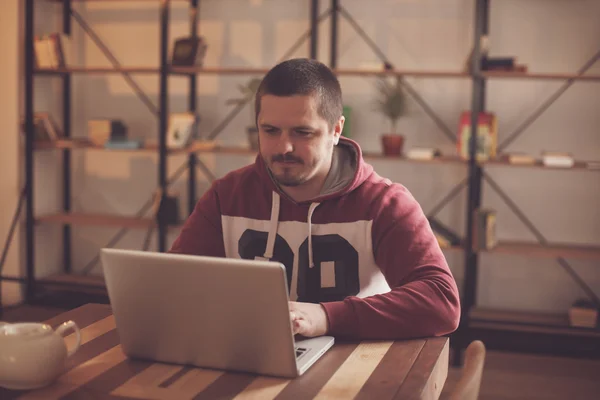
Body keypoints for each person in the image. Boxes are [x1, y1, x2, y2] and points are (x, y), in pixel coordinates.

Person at [169, 58, 460, 340]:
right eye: (270, 130)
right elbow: (173, 285)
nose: (284, 147)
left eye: (302, 132)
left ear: (336, 130)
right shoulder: (227, 196)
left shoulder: (384, 203)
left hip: (355, 369)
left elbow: (441, 302)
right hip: (253, 354)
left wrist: (325, 317)